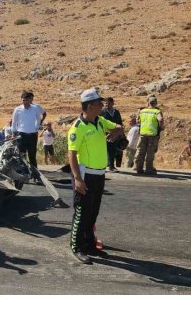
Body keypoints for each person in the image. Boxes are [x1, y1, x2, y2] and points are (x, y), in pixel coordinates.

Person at [67, 88, 124, 264]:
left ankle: (90, 244)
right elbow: (71, 154)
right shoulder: (78, 128)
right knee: (82, 213)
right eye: (99, 103)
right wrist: (77, 179)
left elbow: (120, 127)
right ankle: (76, 246)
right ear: (90, 106)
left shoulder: (100, 121)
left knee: (93, 212)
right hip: (86, 175)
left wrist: (116, 132)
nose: (102, 105)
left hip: (100, 175)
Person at [12, 92, 46, 170]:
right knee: (21, 156)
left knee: (32, 156)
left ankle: (35, 175)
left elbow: (38, 118)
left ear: (30, 100)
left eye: (26, 100)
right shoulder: (17, 109)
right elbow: (14, 123)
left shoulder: (35, 108)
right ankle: (22, 174)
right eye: (23, 100)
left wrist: (37, 126)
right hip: (21, 135)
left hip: (32, 135)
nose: (24, 102)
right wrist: (14, 135)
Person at [135, 96, 164, 174]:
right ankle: (148, 169)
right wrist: (161, 126)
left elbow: (137, 121)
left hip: (142, 134)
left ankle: (139, 168)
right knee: (150, 152)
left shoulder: (142, 111)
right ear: (156, 103)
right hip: (152, 135)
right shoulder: (156, 111)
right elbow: (160, 119)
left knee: (141, 152)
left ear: (148, 102)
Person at [100, 97, 123, 171]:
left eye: (109, 103)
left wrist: (120, 133)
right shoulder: (101, 112)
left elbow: (120, 122)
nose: (107, 104)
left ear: (112, 103)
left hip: (115, 135)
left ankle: (111, 166)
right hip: (103, 134)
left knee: (112, 150)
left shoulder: (116, 112)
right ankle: (102, 166)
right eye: (105, 103)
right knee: (103, 150)